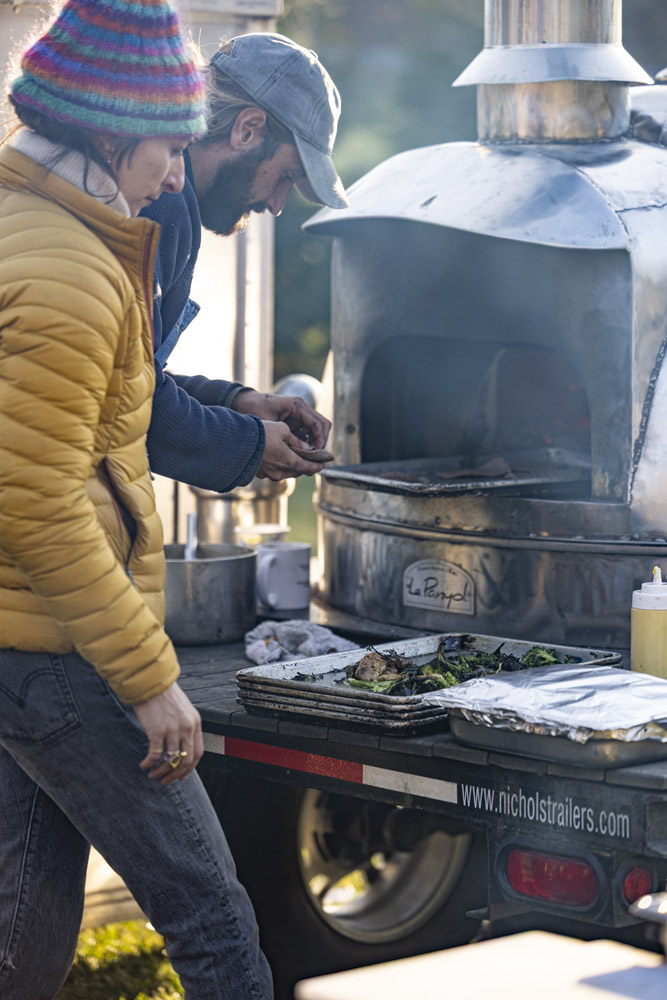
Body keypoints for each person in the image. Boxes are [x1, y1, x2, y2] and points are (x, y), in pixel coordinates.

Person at [0, 2, 272, 998]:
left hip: (22, 643)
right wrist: (151, 677)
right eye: (167, 146)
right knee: (215, 929)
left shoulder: (32, 224)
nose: (172, 173)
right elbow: (34, 502)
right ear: (112, 133)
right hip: (66, 655)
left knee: (21, 934)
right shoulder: (68, 262)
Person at [141, 33, 347, 493]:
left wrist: (238, 402)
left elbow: (127, 374)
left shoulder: (164, 197)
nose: (276, 205)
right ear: (247, 128)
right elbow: (126, 402)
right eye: (287, 176)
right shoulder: (162, 204)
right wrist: (250, 444)